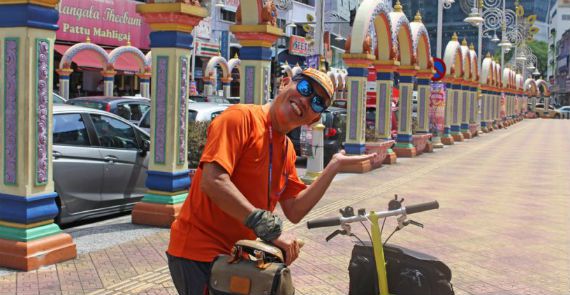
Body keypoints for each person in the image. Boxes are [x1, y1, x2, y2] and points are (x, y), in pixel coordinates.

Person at [167, 68, 380, 295]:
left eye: (317, 103)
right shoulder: (240, 118)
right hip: (198, 253)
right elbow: (213, 181)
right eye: (305, 88)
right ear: (285, 83)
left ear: (314, 119)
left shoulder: (286, 149)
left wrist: (334, 166)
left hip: (236, 256)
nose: (306, 100)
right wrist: (269, 230)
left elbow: (295, 209)